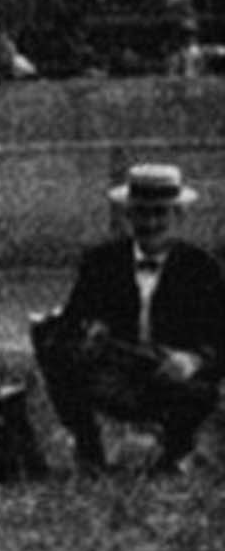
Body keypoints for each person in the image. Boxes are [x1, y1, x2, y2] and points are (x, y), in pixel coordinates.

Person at [33, 163, 225, 476]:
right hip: (116, 377)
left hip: (173, 382)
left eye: (160, 213)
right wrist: (88, 331)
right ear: (127, 215)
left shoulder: (203, 269)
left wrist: (193, 361)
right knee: (51, 342)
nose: (150, 223)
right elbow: (69, 324)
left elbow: (221, 340)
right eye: (142, 213)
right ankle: (89, 448)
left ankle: (176, 451)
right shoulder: (100, 262)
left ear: (178, 216)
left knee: (201, 396)